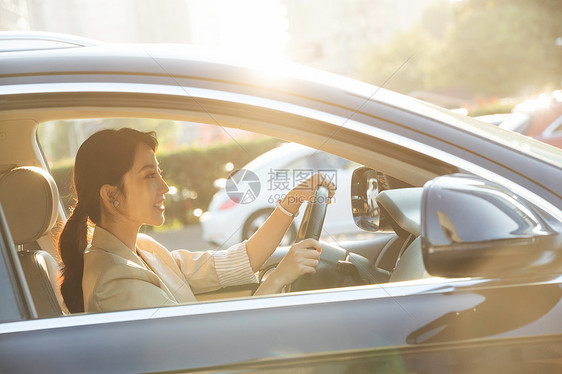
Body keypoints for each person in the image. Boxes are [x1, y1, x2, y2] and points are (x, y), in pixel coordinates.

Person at [58, 128, 335, 313]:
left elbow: (233, 262)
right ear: (110, 194)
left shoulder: (143, 248)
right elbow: (205, 352)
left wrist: (291, 203)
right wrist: (278, 279)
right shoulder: (114, 282)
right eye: (149, 175)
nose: (165, 187)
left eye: (160, 172)